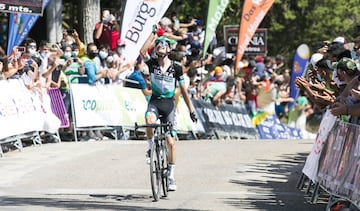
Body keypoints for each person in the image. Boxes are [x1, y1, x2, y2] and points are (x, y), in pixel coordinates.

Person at [140, 35, 197, 191]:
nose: (160, 46)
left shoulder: (176, 67)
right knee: (149, 121)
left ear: (169, 49)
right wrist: (153, 34)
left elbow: (184, 91)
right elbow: (142, 51)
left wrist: (191, 110)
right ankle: (151, 147)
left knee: (171, 142)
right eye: (158, 45)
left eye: (163, 45)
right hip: (155, 102)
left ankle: (171, 175)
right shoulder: (151, 64)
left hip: (169, 105)